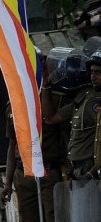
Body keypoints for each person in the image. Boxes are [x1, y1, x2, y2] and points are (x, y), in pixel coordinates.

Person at [1, 92, 65, 222]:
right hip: (24, 175)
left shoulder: (52, 99)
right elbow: (12, 144)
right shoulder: (12, 104)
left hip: (48, 172)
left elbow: (63, 136)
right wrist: (8, 182)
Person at [43, 50, 101, 181]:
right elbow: (50, 119)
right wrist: (46, 86)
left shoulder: (96, 102)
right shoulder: (84, 96)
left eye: (98, 73)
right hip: (77, 170)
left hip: (91, 170)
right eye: (91, 72)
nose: (93, 77)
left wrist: (91, 173)